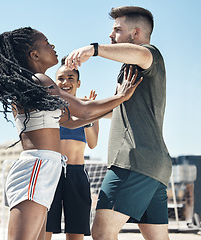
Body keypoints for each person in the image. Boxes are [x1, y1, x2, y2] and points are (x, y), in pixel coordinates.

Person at [0, 27, 142, 240]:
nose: (53, 46)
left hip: (45, 168)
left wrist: (115, 106)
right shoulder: (40, 80)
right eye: (47, 43)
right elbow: (83, 108)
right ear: (34, 54)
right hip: (36, 167)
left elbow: (73, 121)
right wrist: (121, 97)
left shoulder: (34, 86)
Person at [66, 6, 172, 240]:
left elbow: (143, 54)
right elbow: (118, 111)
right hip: (156, 166)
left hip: (133, 161)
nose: (111, 36)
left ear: (135, 33)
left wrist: (93, 49)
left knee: (102, 233)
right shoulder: (129, 71)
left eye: (117, 29)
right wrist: (86, 114)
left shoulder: (148, 54)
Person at [45, 57, 99, 240]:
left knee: (76, 231)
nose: (65, 82)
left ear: (78, 82)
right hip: (51, 171)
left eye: (70, 78)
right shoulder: (49, 107)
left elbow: (92, 143)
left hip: (76, 173)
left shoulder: (88, 107)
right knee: (45, 228)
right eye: (60, 78)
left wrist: (88, 116)